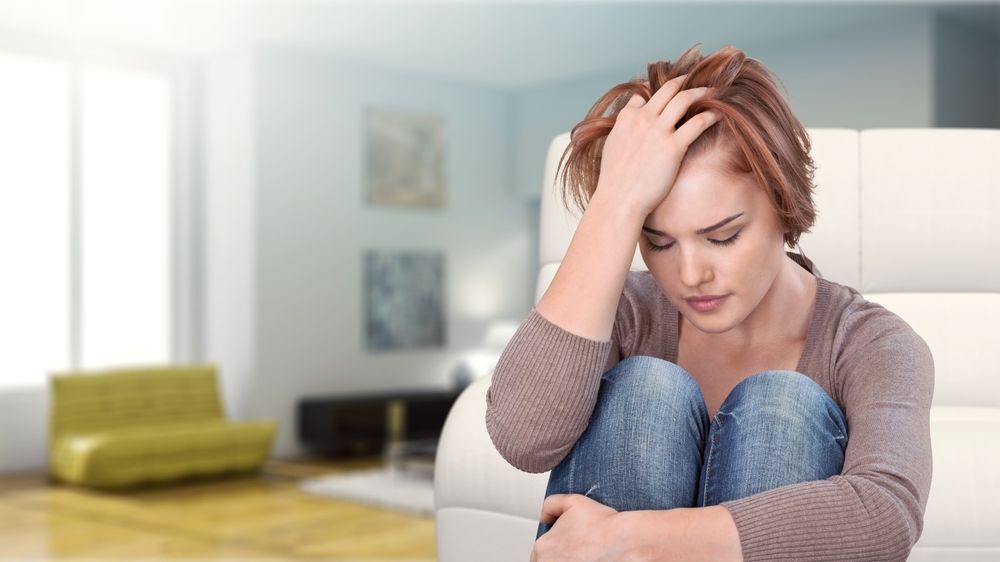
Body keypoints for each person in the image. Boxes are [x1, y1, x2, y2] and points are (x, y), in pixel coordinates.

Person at [484, 44, 934, 562]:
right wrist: (616, 202)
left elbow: (886, 514)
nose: (692, 275)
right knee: (647, 390)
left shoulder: (871, 342)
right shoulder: (629, 312)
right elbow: (522, 440)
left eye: (722, 236)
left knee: (782, 406)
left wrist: (628, 539)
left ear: (785, 205)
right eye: (659, 242)